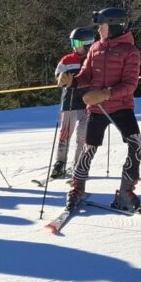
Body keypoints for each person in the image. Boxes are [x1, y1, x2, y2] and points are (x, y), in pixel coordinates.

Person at [56, 7, 141, 213]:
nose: (99, 30)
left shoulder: (130, 52)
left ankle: (125, 192)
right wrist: (72, 81)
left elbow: (130, 85)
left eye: (102, 26)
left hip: (121, 106)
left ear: (114, 26)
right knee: (89, 147)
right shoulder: (95, 48)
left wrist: (105, 94)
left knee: (136, 144)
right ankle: (77, 187)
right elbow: (86, 75)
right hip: (97, 108)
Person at [51, 26, 95, 179]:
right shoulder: (67, 59)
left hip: (88, 103)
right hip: (69, 103)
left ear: (87, 43)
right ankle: (60, 162)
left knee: (83, 135)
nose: (73, 47)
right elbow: (58, 75)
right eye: (72, 43)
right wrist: (61, 77)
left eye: (76, 43)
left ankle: (78, 164)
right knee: (65, 133)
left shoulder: (94, 60)